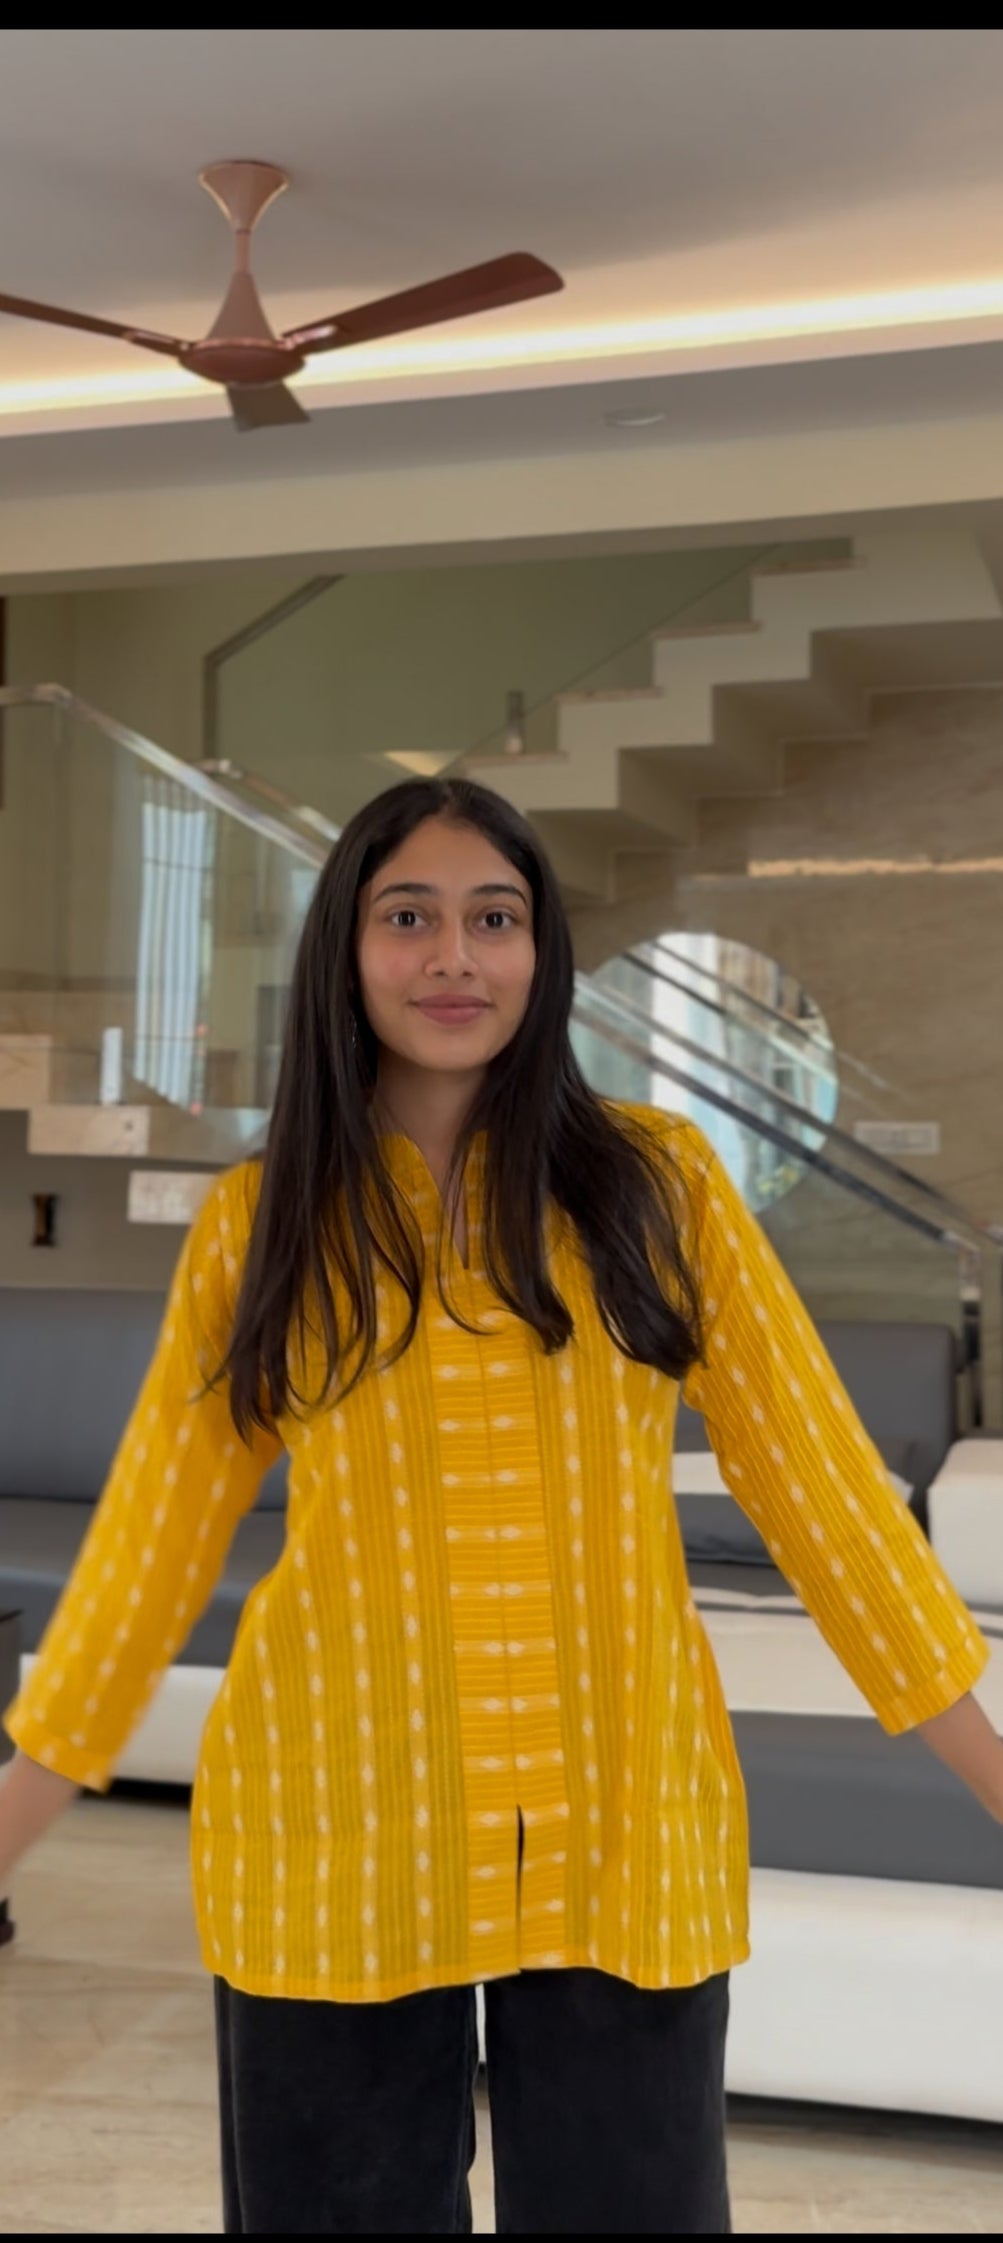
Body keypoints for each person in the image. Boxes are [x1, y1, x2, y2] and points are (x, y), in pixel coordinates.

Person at [2, 776, 1001, 2236]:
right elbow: (157, 1540)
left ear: (544, 956)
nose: (454, 957)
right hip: (334, 1822)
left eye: (496, 918)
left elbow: (829, 1496)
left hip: (619, 1821)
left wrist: (991, 1774)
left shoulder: (660, 1187)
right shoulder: (261, 1219)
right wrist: (20, 1807)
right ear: (347, 949)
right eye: (409, 917)